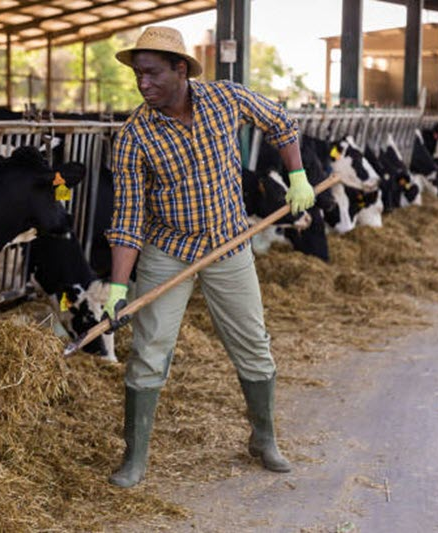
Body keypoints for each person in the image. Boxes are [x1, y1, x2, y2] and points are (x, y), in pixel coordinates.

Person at [103, 26, 315, 488]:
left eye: (153, 73)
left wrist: (296, 174)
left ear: (181, 69)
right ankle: (134, 457)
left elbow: (280, 122)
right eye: (138, 74)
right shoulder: (134, 137)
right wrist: (119, 287)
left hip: (229, 244)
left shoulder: (225, 99)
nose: (143, 84)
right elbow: (127, 218)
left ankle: (264, 439)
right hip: (169, 250)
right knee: (148, 353)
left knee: (253, 345)